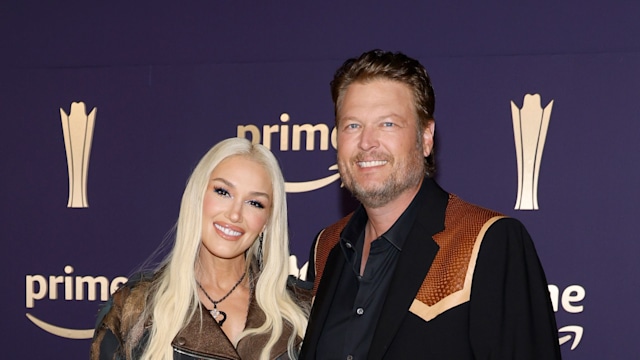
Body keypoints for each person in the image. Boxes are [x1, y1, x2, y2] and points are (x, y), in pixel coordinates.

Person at [299, 50, 561, 359]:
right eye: (352, 126)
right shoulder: (326, 247)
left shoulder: (486, 241)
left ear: (426, 138)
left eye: (387, 124)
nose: (366, 141)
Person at [90, 137, 309, 360]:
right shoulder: (133, 306)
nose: (234, 214)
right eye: (223, 192)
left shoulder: (304, 310)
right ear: (197, 196)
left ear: (267, 222)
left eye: (254, 203)